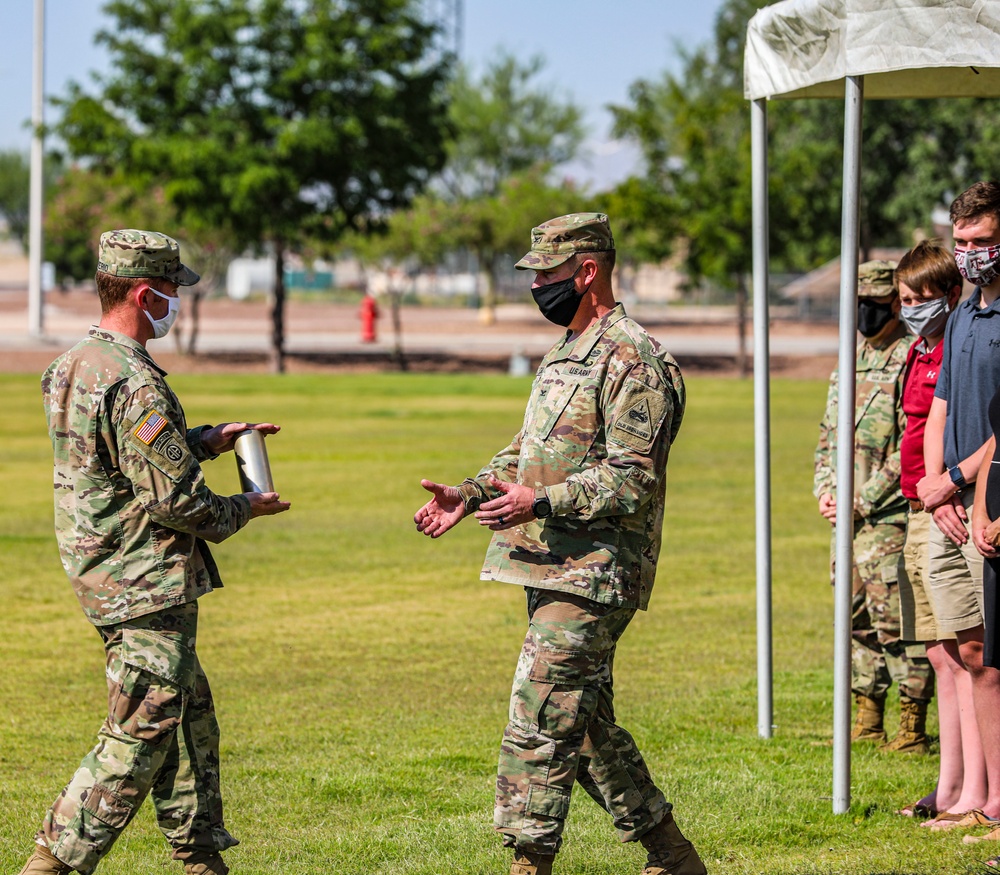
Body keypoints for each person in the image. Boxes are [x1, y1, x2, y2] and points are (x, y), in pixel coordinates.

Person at [413, 213, 702, 875]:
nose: (537, 284)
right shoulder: (567, 351)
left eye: (545, 272)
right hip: (550, 562)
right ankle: (672, 853)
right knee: (586, 727)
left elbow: (632, 479)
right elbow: (529, 453)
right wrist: (470, 493)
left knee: (542, 705)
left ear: (587, 270)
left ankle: (528, 861)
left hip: (598, 569)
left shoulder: (634, 356)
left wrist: (540, 500)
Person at [19, 230, 291, 875]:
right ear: (144, 293)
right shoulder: (134, 381)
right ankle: (53, 864)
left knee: (188, 715)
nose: (178, 303)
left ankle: (199, 857)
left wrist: (204, 439)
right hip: (144, 581)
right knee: (141, 730)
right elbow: (178, 503)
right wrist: (243, 508)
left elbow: (116, 457)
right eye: (173, 292)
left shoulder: (78, 362)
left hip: (107, 572)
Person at [813, 261, 933, 749]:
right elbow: (827, 436)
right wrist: (826, 488)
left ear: (891, 304)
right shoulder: (850, 360)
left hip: (888, 516)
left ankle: (912, 724)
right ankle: (868, 715)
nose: (863, 311)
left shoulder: (909, 358)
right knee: (854, 616)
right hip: (847, 519)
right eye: (856, 300)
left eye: (873, 302)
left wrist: (859, 500)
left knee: (897, 620)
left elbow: (912, 444)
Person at [917, 181, 1000, 837]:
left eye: (983, 242)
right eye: (963, 242)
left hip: (987, 503)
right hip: (946, 503)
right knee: (958, 648)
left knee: (988, 654)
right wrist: (932, 478)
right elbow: (942, 400)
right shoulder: (967, 312)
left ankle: (993, 799)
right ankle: (968, 791)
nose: (971, 254)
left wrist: (963, 481)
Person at [893, 241, 971, 820]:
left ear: (949, 295)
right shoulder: (919, 351)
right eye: (904, 299)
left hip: (950, 503)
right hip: (921, 505)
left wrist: (947, 487)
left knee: (969, 653)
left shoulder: (959, 346)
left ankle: (972, 789)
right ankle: (950, 784)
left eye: (922, 299)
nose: (912, 308)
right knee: (940, 654)